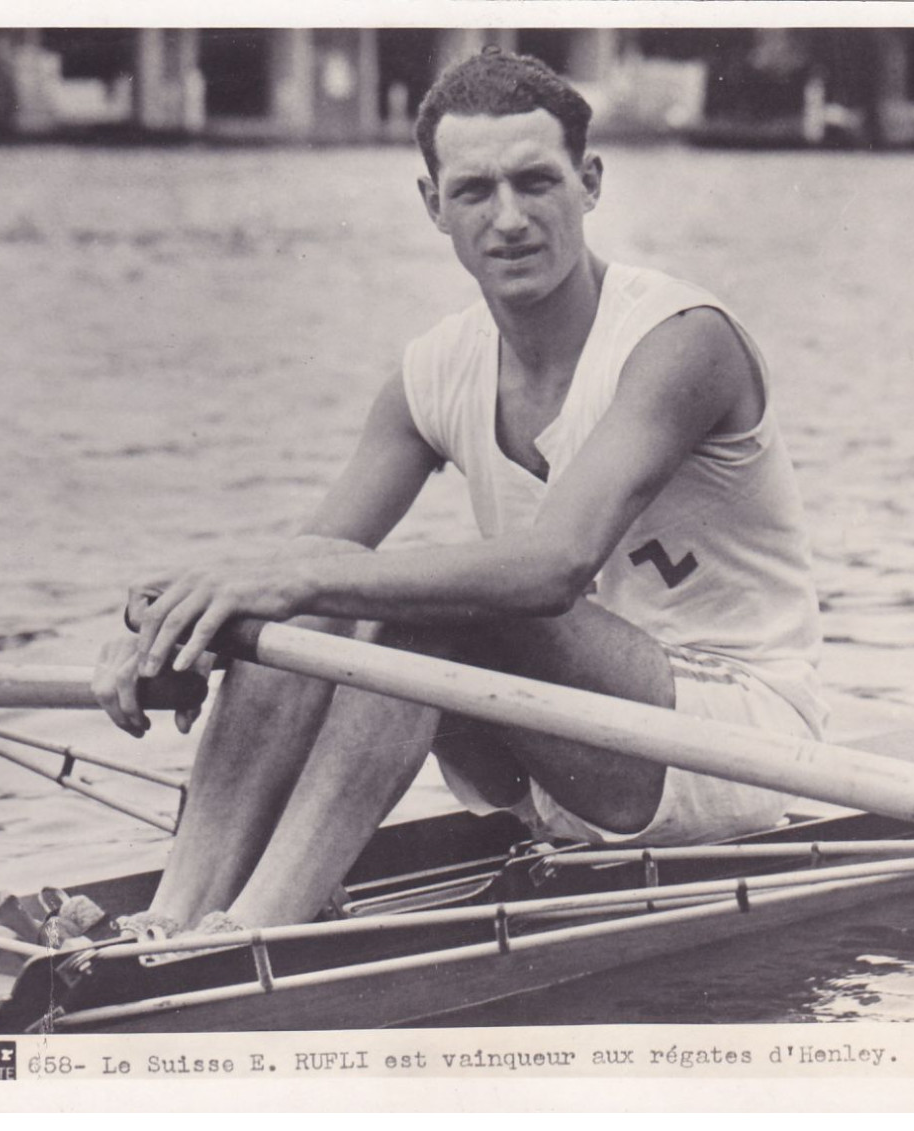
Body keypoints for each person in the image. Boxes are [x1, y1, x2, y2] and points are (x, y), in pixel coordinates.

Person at [92, 48, 827, 940]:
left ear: (590, 184)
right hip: (562, 759)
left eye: (536, 182)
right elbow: (304, 566)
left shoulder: (681, 343)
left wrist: (279, 583)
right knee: (313, 589)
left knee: (422, 603)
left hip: (741, 746)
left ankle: (258, 932)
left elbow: (550, 570)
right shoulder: (434, 370)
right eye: (475, 191)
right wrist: (166, 621)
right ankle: (173, 919)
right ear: (432, 204)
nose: (509, 219)